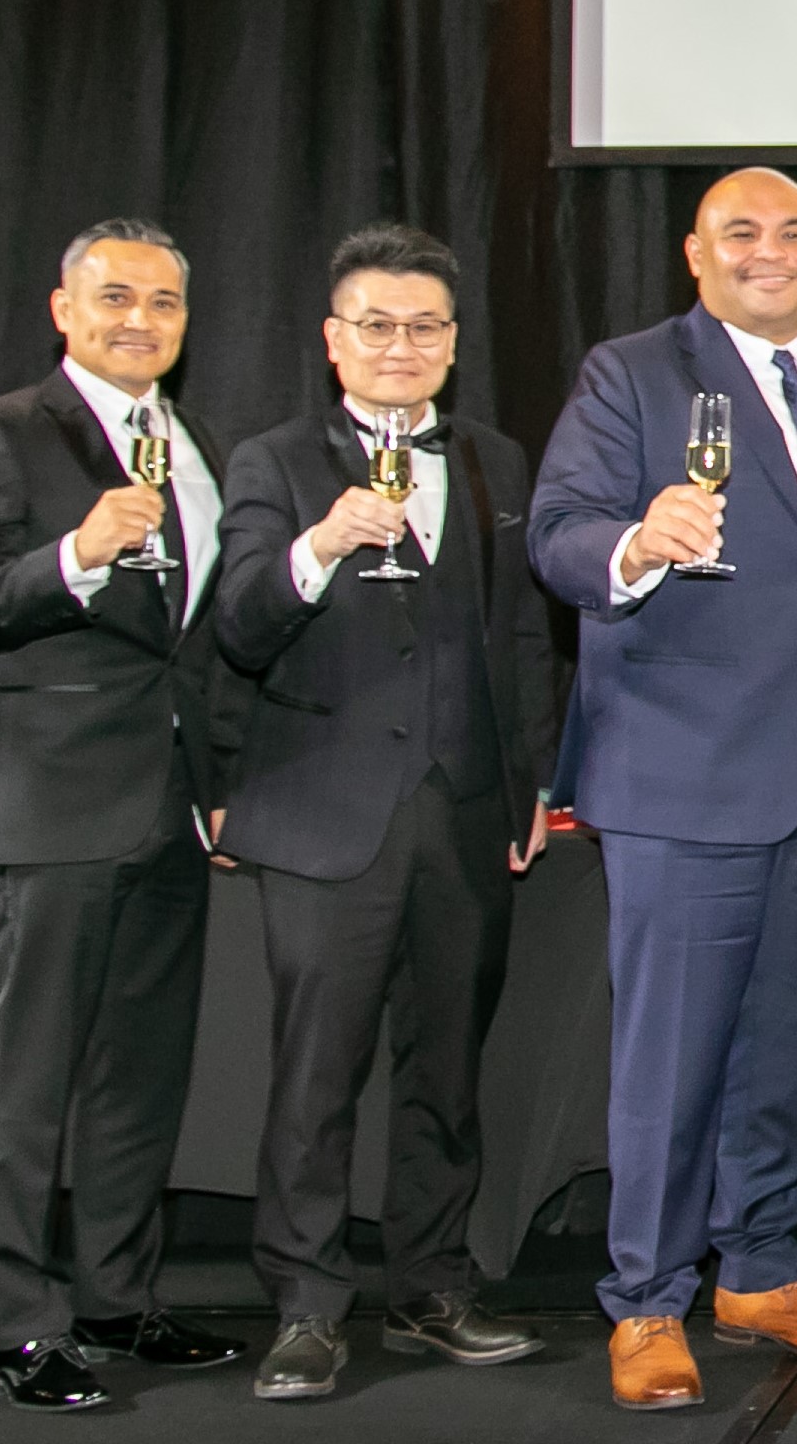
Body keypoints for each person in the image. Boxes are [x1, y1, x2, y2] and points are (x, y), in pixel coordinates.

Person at [528, 169, 797, 1412]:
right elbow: (557, 531)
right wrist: (635, 546)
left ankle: (760, 1266)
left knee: (783, 1049)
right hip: (680, 772)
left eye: (795, 230)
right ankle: (646, 1299)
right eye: (741, 232)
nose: (772, 251)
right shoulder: (631, 372)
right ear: (692, 254)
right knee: (672, 1057)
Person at [206, 225, 561, 1401]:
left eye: (423, 327)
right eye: (376, 324)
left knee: (445, 1070)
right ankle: (306, 1306)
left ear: (453, 346)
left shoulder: (500, 463)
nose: (400, 345)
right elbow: (242, 628)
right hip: (323, 815)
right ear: (332, 340)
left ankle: (428, 1283)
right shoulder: (271, 462)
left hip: (463, 809)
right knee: (316, 1077)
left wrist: (528, 787)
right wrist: (319, 545)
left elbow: (518, 640)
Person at [0, 219, 243, 1413]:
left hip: (166, 805)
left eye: (162, 302)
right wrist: (74, 554)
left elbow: (190, 644)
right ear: (62, 310)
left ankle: (116, 1296)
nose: (138, 320)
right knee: (34, 1078)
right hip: (47, 800)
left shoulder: (191, 440)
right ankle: (25, 1323)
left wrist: (215, 779)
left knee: (140, 1076)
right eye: (113, 297)